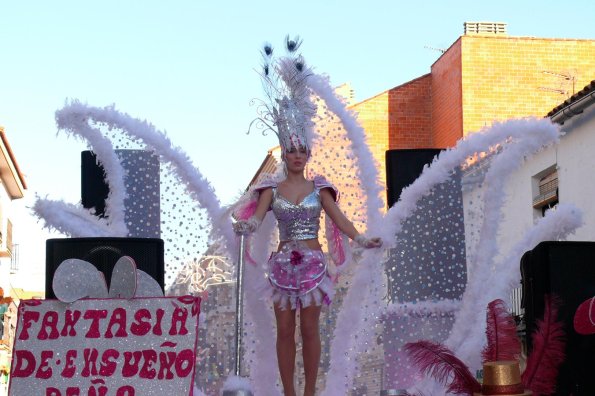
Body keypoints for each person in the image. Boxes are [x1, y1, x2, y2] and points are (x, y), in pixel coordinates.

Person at [233, 36, 383, 396]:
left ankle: (310, 392)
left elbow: (339, 219)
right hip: (283, 264)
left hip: (314, 263)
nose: (297, 155)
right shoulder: (270, 189)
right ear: (284, 154)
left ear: (308, 153)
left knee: (311, 329)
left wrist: (361, 237)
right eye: (291, 150)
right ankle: (289, 392)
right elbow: (258, 219)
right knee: (285, 330)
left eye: (302, 150)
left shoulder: (321, 188)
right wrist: (247, 226)